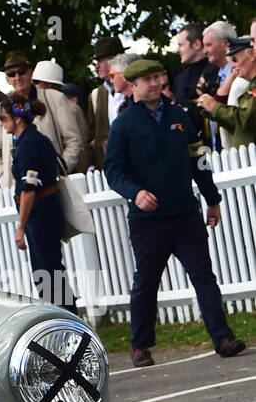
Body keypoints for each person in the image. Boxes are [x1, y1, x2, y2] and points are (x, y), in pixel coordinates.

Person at [104, 58, 246, 367]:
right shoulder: (124, 125)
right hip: (147, 222)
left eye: (157, 77)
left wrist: (212, 199)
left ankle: (222, 338)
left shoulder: (180, 116)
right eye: (146, 80)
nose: (154, 83)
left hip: (185, 214)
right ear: (132, 87)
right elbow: (113, 170)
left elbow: (199, 160)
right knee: (146, 282)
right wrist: (135, 192)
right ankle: (141, 345)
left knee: (204, 277)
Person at [0, 93, 75, 308]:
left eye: (4, 118)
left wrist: (20, 226)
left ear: (17, 118)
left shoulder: (29, 144)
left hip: (41, 214)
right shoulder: (32, 140)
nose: (2, 124)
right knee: (48, 271)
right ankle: (64, 318)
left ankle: (66, 319)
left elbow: (29, 189)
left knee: (47, 272)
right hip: (45, 213)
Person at [0, 50, 91, 187]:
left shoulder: (55, 98)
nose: (17, 77)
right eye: (11, 74)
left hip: (51, 183)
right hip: (17, 186)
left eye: (22, 71)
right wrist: (4, 177)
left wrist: (60, 170)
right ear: (7, 79)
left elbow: (73, 140)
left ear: (31, 72)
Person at [199, 36, 256, 149]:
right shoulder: (250, 85)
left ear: (253, 55)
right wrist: (212, 112)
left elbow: (246, 120)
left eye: (235, 59)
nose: (232, 65)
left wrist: (215, 107)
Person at [33, 60, 92, 167]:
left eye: (36, 82)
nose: (33, 86)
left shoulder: (72, 108)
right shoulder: (36, 107)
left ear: (49, 85)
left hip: (70, 172)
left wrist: (62, 168)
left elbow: (79, 143)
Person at [86, 37, 124, 169]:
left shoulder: (133, 88)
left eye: (101, 60)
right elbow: (91, 137)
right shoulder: (95, 95)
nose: (97, 65)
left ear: (116, 60)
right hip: (108, 170)